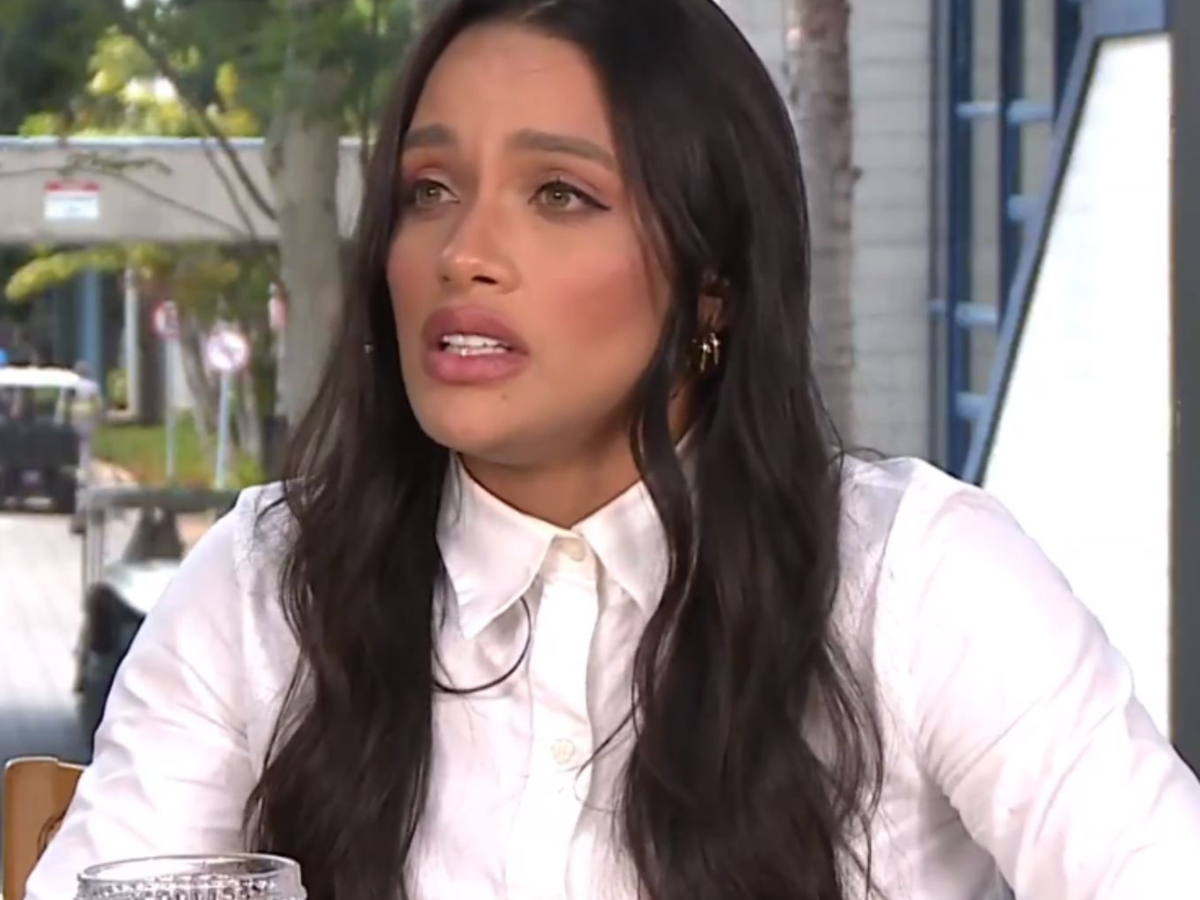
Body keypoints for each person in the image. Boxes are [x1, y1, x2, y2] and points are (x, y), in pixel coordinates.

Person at [29, 1, 1200, 899]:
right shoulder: (265, 585)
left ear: (713, 283)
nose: (462, 251)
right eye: (429, 188)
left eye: (559, 194)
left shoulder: (918, 580)